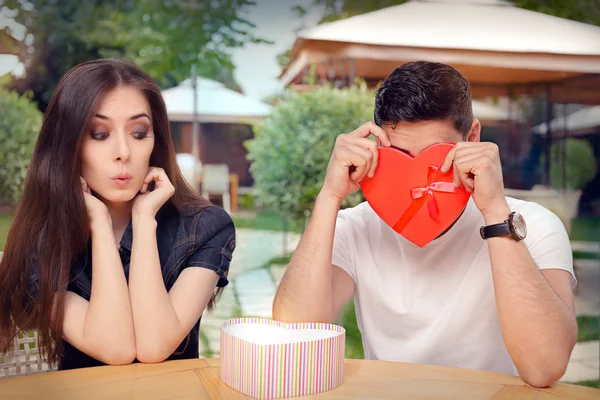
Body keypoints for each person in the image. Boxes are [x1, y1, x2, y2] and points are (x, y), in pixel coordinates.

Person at [272, 61, 577, 388]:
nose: (418, 176)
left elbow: (545, 367)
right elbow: (295, 335)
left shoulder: (533, 226)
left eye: (436, 156)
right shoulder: (354, 227)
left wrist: (494, 212)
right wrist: (329, 197)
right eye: (400, 156)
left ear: (472, 138)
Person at [0, 59, 235, 370]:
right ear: (68, 145)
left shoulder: (206, 227)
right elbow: (116, 348)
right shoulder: (43, 241)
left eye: (139, 133)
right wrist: (98, 223)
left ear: (156, 140)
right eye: (99, 134)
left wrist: (143, 220)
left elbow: (154, 345)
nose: (123, 152)